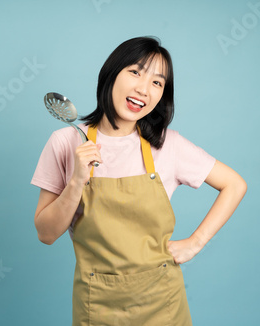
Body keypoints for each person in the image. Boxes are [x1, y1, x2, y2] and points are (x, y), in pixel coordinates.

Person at [31, 36, 247, 325]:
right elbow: (45, 234)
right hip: (97, 307)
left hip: (163, 305)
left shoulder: (167, 144)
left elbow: (234, 184)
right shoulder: (65, 142)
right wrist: (76, 181)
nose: (144, 89)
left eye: (157, 82)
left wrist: (195, 243)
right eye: (135, 72)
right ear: (112, 73)